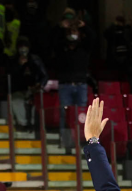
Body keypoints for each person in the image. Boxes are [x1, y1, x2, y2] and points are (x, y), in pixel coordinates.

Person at [56, 16, 92, 147]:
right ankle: (66, 140)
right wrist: (61, 28)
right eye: (70, 32)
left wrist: (84, 26)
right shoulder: (61, 49)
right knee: (64, 115)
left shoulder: (83, 48)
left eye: (75, 32)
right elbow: (51, 41)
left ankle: (81, 140)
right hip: (65, 85)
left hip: (81, 85)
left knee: (81, 115)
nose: (73, 34)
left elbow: (92, 38)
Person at [10, 36, 48, 132]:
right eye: (21, 46)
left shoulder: (35, 59)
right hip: (19, 89)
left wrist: (39, 85)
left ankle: (34, 124)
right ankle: (23, 124)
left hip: (34, 88)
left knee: (35, 102)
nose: (23, 49)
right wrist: (19, 65)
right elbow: (10, 76)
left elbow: (44, 76)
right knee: (16, 100)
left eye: (25, 46)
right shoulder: (13, 60)